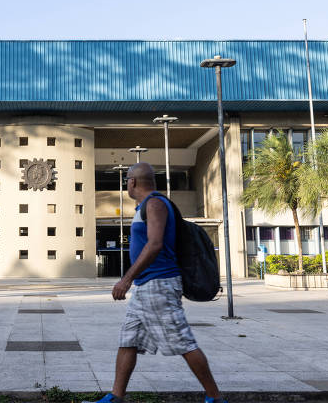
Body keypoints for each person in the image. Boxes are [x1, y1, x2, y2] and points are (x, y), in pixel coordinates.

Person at [84, 163, 225, 403]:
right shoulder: (145, 206)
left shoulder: (155, 203)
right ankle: (116, 397)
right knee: (128, 340)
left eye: (126, 180)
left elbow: (155, 244)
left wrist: (126, 279)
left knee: (184, 341)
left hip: (159, 285)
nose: (126, 184)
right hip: (146, 287)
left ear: (133, 182)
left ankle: (215, 398)